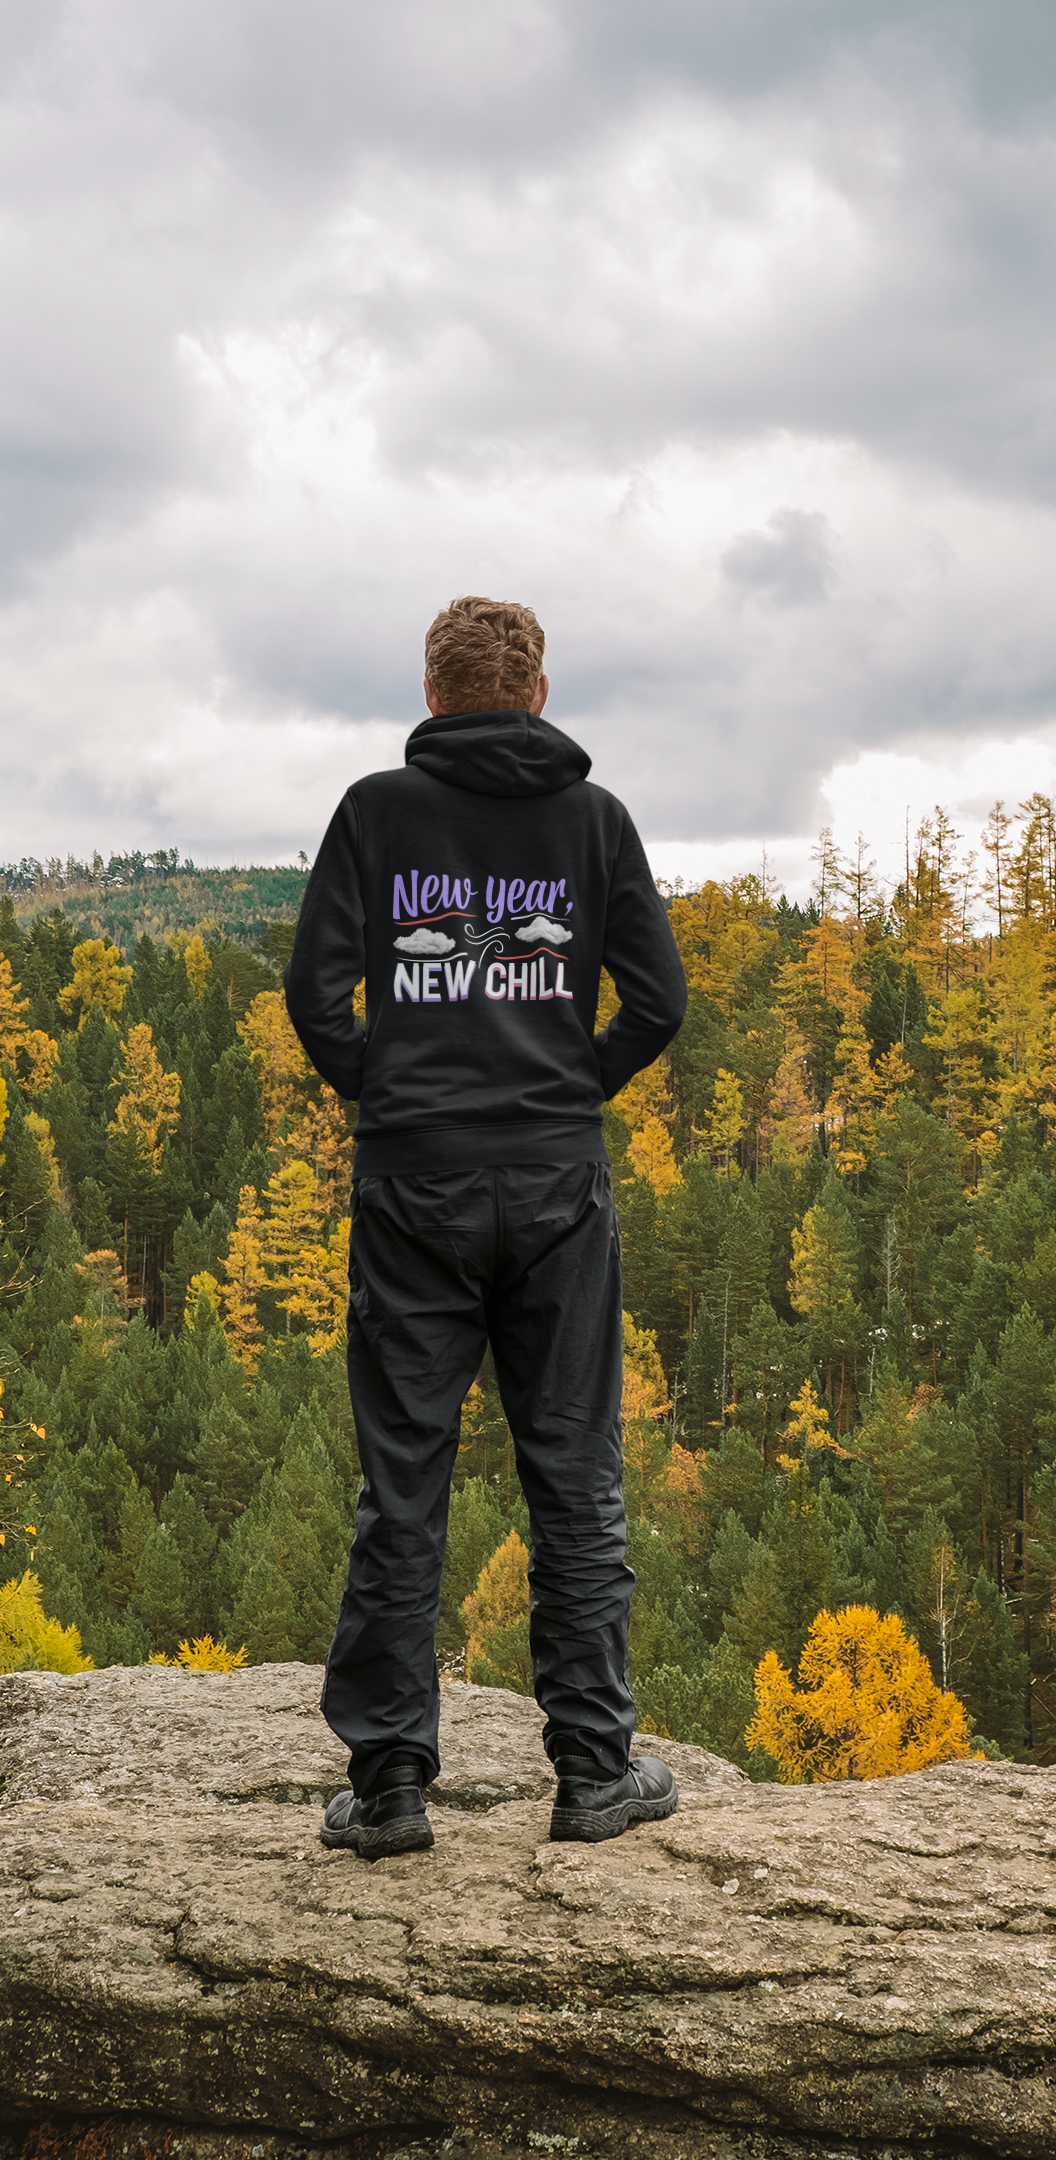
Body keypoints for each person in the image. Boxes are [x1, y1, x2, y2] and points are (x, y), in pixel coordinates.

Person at [284, 595, 688, 1858]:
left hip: (413, 1187)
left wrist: (391, 1092)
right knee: (575, 1475)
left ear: (433, 688)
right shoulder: (591, 820)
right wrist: (571, 1088)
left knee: (402, 1483)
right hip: (557, 1186)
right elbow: (658, 1002)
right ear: (538, 692)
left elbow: (316, 992)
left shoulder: (377, 813)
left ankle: (394, 1785)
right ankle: (592, 1776)